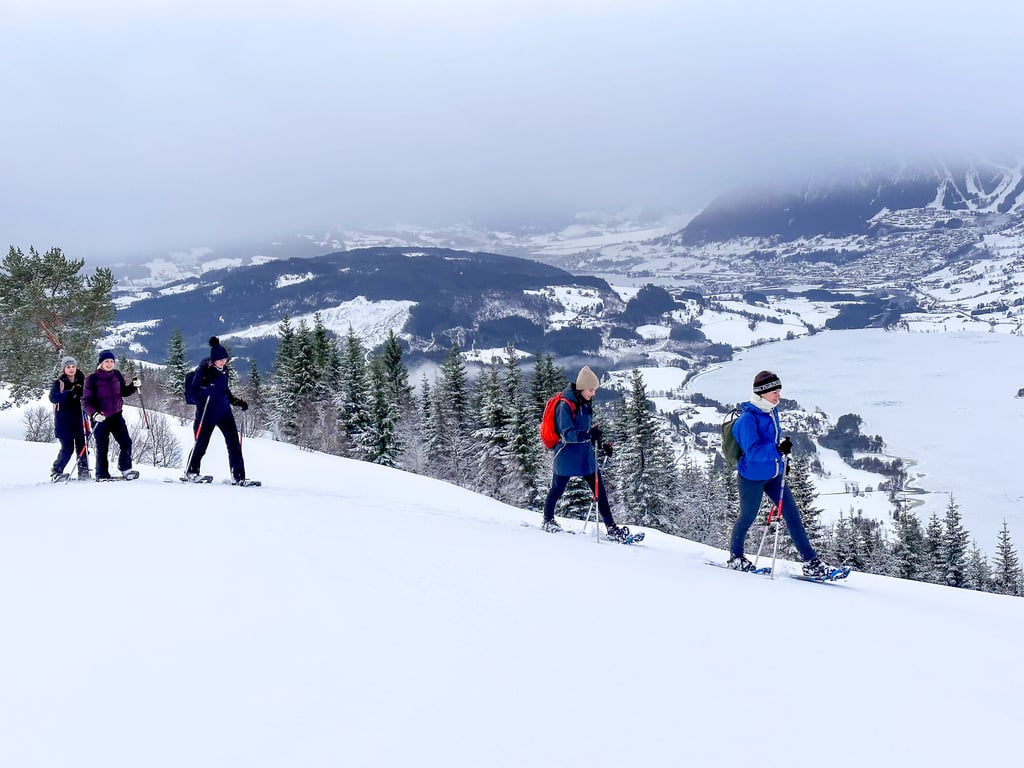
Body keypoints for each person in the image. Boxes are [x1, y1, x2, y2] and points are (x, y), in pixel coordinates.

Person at [727, 370, 830, 577]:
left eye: (779, 391)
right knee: (747, 517)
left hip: (774, 475)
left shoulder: (771, 411)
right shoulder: (747, 419)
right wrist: (778, 451)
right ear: (762, 393)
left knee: (793, 516)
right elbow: (753, 451)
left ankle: (811, 562)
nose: (778, 396)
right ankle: (736, 557)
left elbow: (773, 444)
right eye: (774, 392)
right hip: (752, 478)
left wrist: (781, 463)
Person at [541, 365, 627, 541]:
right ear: (581, 388)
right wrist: (588, 434)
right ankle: (547, 520)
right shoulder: (564, 406)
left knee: (599, 491)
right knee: (557, 489)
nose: (593, 393)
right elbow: (567, 434)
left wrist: (601, 445)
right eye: (591, 389)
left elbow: (587, 430)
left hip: (585, 455)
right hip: (566, 455)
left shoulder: (585, 403)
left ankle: (611, 528)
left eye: (594, 389)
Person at [184, 336, 249, 483]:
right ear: (213, 360)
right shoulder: (203, 371)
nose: (223, 362)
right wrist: (204, 391)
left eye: (225, 359)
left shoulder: (224, 370)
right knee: (201, 444)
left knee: (234, 443)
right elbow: (193, 393)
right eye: (220, 360)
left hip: (224, 411)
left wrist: (237, 402)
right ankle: (191, 472)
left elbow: (225, 391)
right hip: (207, 412)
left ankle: (238, 476)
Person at [82, 350, 140, 480]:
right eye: (106, 361)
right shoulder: (92, 379)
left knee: (126, 442)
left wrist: (133, 386)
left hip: (116, 416)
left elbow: (124, 392)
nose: (109, 364)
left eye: (112, 361)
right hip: (100, 418)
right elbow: (85, 402)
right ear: (100, 363)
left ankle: (125, 468)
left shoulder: (116, 375)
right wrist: (94, 414)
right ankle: (101, 474)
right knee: (102, 447)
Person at [48, 356, 91, 481]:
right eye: (68, 367)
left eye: (73, 367)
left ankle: (84, 472)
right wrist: (70, 393)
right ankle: (57, 471)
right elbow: (53, 398)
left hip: (80, 420)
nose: (71, 369)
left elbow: (90, 396)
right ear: (64, 369)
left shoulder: (83, 381)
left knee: (82, 447)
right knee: (67, 448)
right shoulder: (59, 383)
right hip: (64, 421)